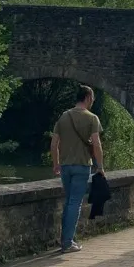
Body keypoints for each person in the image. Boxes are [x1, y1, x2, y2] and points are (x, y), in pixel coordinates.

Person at [50, 85, 105, 253]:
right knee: (75, 203)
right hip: (82, 165)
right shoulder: (92, 118)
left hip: (65, 166)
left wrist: (56, 163)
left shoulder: (64, 116)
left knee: (68, 202)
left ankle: (66, 239)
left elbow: (54, 144)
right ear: (88, 97)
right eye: (92, 99)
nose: (92, 102)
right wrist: (100, 166)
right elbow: (96, 144)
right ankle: (67, 242)